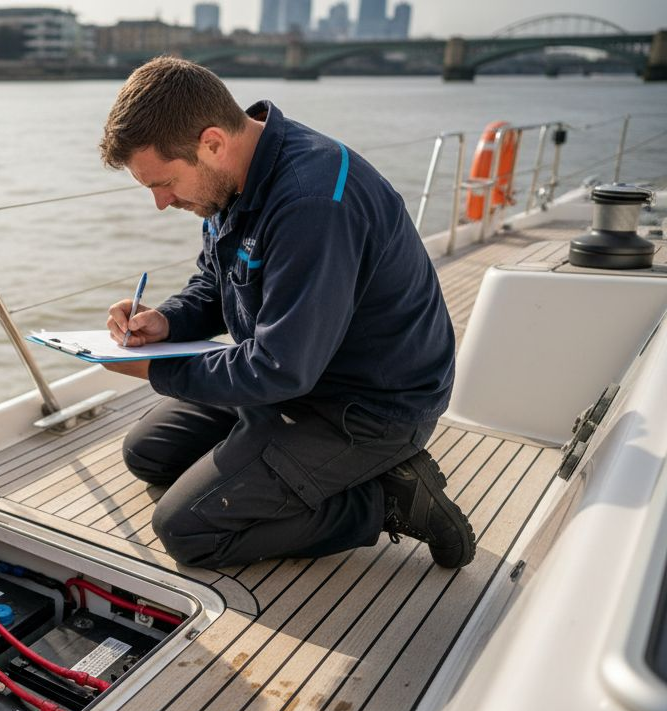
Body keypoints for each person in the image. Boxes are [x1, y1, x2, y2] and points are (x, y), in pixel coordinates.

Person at [98, 56, 475, 570]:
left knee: (187, 531)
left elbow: (279, 367)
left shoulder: (311, 203)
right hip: (294, 377)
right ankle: (276, 461)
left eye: (162, 183)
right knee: (149, 452)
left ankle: (384, 499)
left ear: (212, 143)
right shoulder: (230, 179)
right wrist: (166, 321)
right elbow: (214, 282)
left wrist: (156, 369)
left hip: (368, 407)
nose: (161, 202)